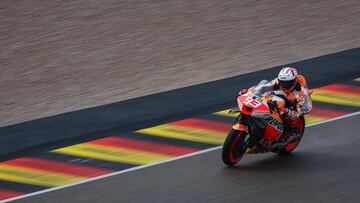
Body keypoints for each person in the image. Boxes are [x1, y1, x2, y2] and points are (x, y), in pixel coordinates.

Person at [240, 67, 313, 141]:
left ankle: (284, 132)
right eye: (282, 82)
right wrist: (251, 91)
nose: (283, 85)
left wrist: (286, 110)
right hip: (288, 94)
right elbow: (266, 85)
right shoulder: (280, 80)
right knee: (265, 83)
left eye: (286, 83)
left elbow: (297, 114)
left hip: (302, 105)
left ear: (293, 82)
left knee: (282, 111)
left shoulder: (301, 94)